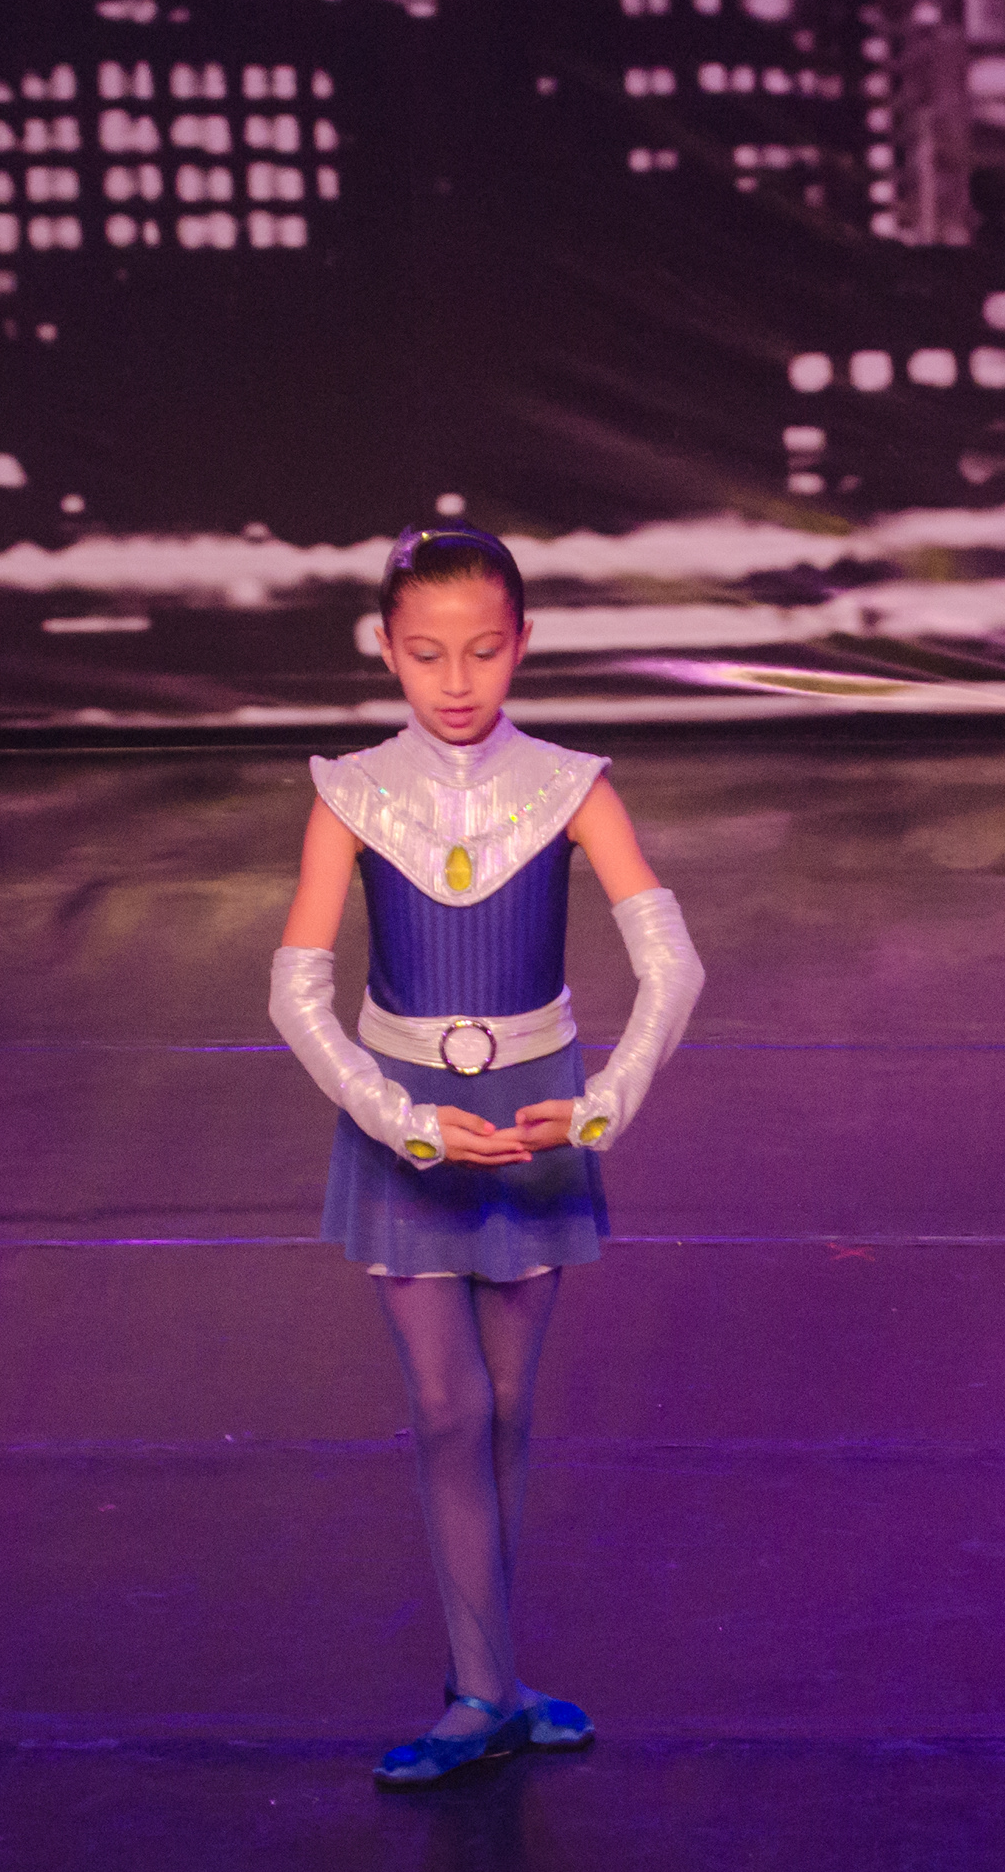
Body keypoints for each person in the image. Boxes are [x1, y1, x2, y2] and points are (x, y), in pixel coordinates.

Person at [267, 524, 705, 1786]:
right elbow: (295, 988)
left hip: (535, 1126)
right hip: (404, 1123)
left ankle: (499, 1684)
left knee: (508, 1406)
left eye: (482, 650)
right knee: (448, 1404)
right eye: (425, 653)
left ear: (523, 643)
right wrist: (396, 1116)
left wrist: (600, 1105)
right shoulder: (350, 792)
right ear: (384, 649)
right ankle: (476, 1691)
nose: (455, 681)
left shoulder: (572, 785)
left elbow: (673, 962)